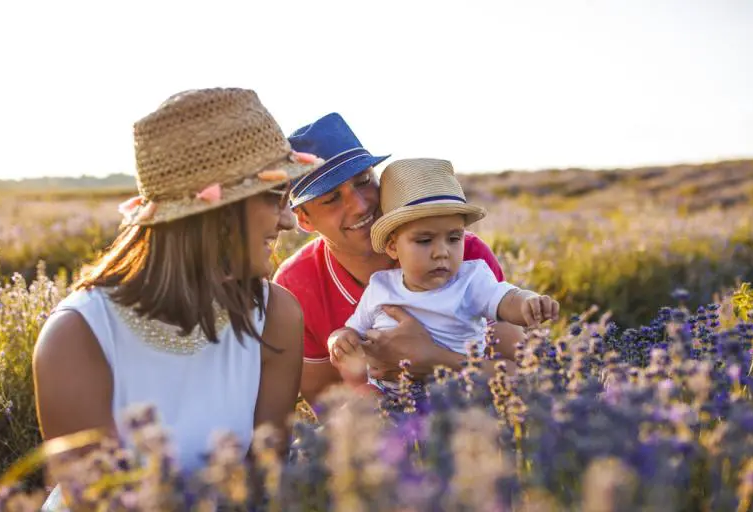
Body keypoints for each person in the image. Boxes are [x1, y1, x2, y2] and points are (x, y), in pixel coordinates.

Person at [32, 88, 322, 508]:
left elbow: (264, 482)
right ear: (217, 213)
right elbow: (97, 503)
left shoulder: (275, 314)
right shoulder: (78, 336)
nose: (289, 218)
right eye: (275, 195)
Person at [272, 113, 526, 409]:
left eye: (364, 181)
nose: (360, 204)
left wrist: (434, 358)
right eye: (331, 199)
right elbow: (329, 411)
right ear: (303, 219)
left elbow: (520, 376)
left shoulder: (460, 253)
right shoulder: (296, 284)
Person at [327, 158, 560, 399]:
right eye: (425, 240)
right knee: (355, 408)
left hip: (458, 390)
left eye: (454, 238)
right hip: (391, 397)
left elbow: (506, 299)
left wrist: (528, 303)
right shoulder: (381, 286)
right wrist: (339, 339)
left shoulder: (470, 279)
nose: (442, 252)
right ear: (393, 246)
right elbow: (352, 329)